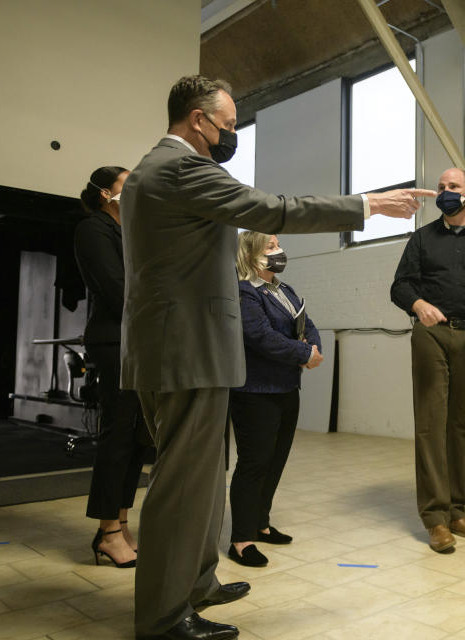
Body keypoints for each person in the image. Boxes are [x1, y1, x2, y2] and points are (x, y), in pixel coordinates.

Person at [121, 75, 436, 640]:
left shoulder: (156, 171)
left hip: (184, 345)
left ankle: (197, 583)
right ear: (198, 120)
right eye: (228, 125)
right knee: (181, 483)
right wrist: (366, 204)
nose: (231, 135)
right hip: (184, 348)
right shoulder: (179, 168)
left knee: (203, 479)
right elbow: (270, 209)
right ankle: (165, 616)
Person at [390, 167, 465, 553]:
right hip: (431, 334)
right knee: (431, 423)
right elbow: (400, 285)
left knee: (459, 426)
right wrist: (418, 303)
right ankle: (435, 518)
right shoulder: (423, 238)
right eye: (441, 187)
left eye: (453, 187)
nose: (446, 192)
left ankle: (458, 510)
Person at [75, 166, 152, 569]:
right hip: (114, 342)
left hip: (138, 342)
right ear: (106, 193)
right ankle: (106, 532)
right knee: (117, 435)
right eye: (128, 184)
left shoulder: (130, 233)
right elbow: (116, 286)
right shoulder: (93, 229)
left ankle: (121, 522)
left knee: (138, 436)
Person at [227, 233, 319, 568]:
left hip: (286, 387)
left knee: (275, 460)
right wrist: (302, 352)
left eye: (278, 244)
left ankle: (260, 524)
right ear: (250, 255)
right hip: (255, 391)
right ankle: (241, 539)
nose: (278, 250)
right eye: (269, 246)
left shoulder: (284, 290)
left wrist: (312, 348)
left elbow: (306, 323)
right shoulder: (243, 292)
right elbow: (259, 337)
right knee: (254, 463)